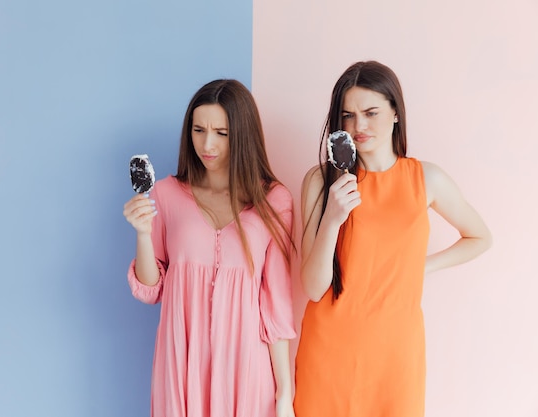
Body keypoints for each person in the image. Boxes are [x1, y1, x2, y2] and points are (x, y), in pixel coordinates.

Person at [292, 61, 492, 417]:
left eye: (371, 113)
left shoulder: (427, 179)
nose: (359, 127)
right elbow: (312, 287)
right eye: (348, 115)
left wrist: (421, 267)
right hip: (329, 351)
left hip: (396, 353)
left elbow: (479, 237)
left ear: (396, 112)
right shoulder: (321, 181)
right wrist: (333, 219)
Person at [123, 79, 297, 417]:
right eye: (198, 129)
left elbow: (276, 305)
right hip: (181, 364)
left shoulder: (274, 201)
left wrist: (284, 396)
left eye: (222, 133)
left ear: (242, 136)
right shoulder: (166, 194)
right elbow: (149, 289)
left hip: (246, 369)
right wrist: (143, 234)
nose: (207, 144)